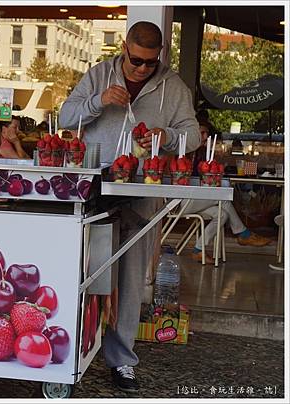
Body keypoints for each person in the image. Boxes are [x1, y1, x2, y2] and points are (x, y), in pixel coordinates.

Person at [60, 21, 201, 393]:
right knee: (86, 273)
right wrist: (98, 101)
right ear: (124, 47)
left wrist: (167, 136)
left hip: (142, 187)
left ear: (160, 58)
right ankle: (72, 348)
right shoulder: (99, 74)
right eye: (136, 60)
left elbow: (194, 133)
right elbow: (65, 116)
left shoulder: (173, 87)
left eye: (149, 64)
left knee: (131, 276)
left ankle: (122, 360)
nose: (141, 69)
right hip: (96, 186)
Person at [184, 116, 270, 264]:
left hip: (194, 199)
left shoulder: (201, 154)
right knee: (223, 199)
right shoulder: (183, 152)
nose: (205, 137)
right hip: (179, 201)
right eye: (202, 132)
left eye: (207, 134)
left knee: (222, 214)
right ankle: (243, 234)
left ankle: (198, 250)